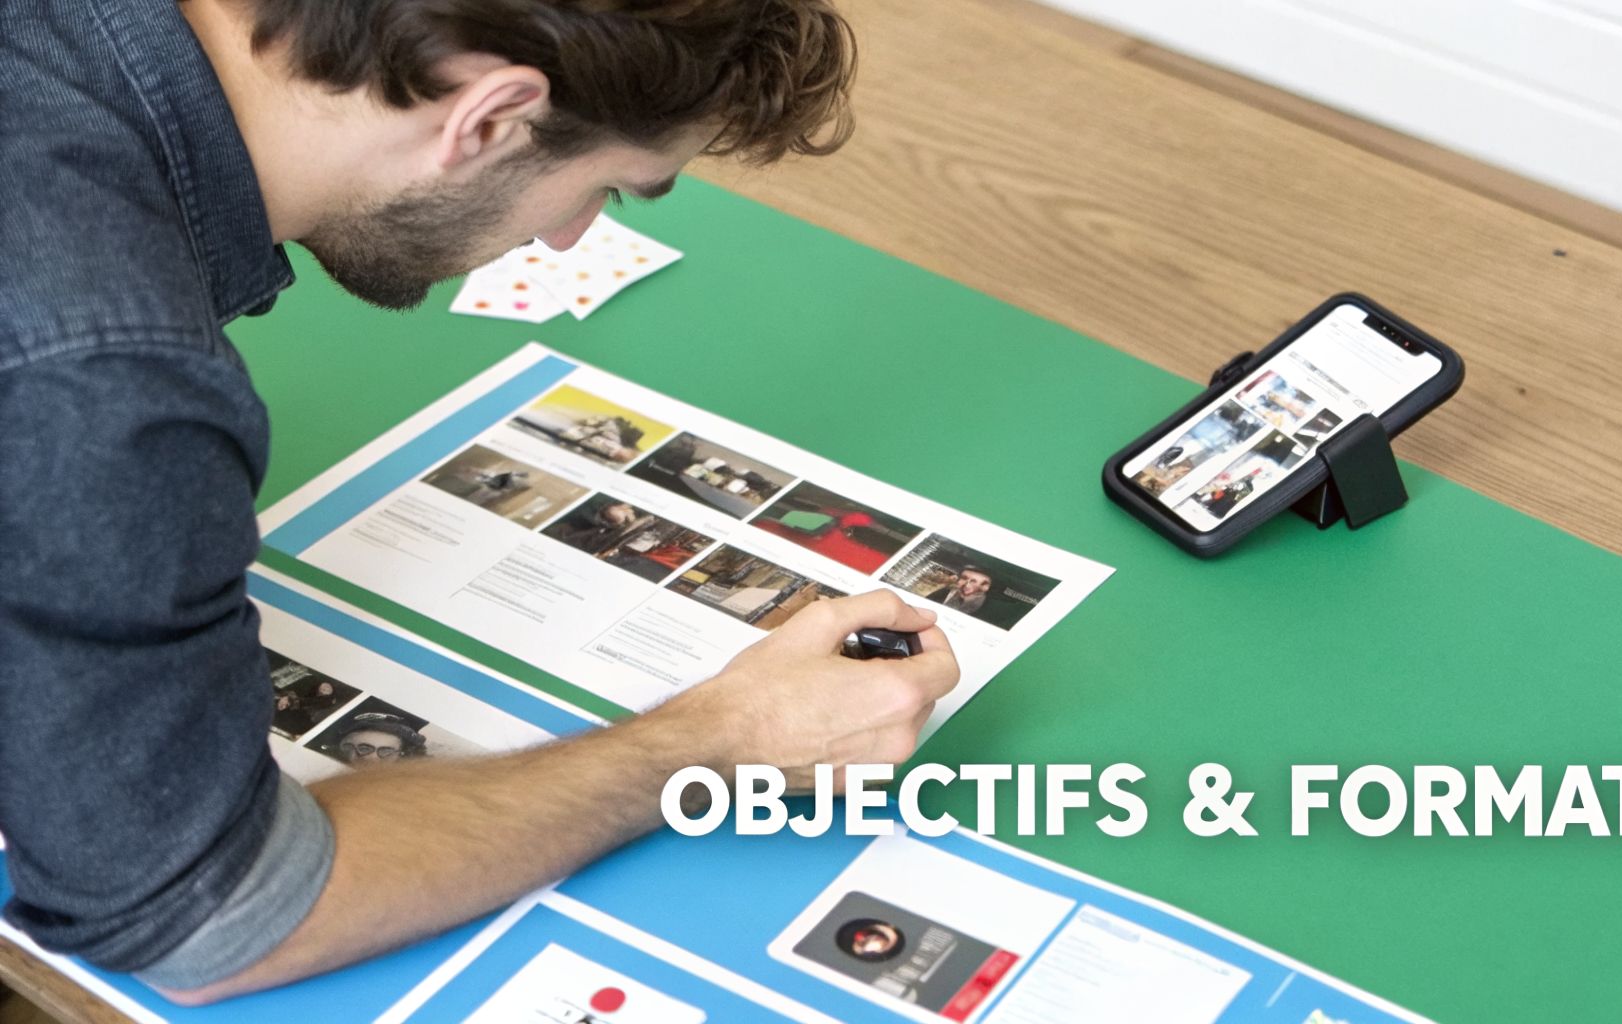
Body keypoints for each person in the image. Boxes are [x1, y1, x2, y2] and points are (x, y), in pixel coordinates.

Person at [0, 0, 959, 1006]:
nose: (562, 238)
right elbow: (209, 918)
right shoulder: (105, 382)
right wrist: (715, 740)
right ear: (491, 116)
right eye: (608, 191)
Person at [927, 566, 994, 616]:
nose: (966, 585)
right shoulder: (945, 590)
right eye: (964, 578)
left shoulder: (987, 610)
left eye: (973, 581)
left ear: (985, 587)